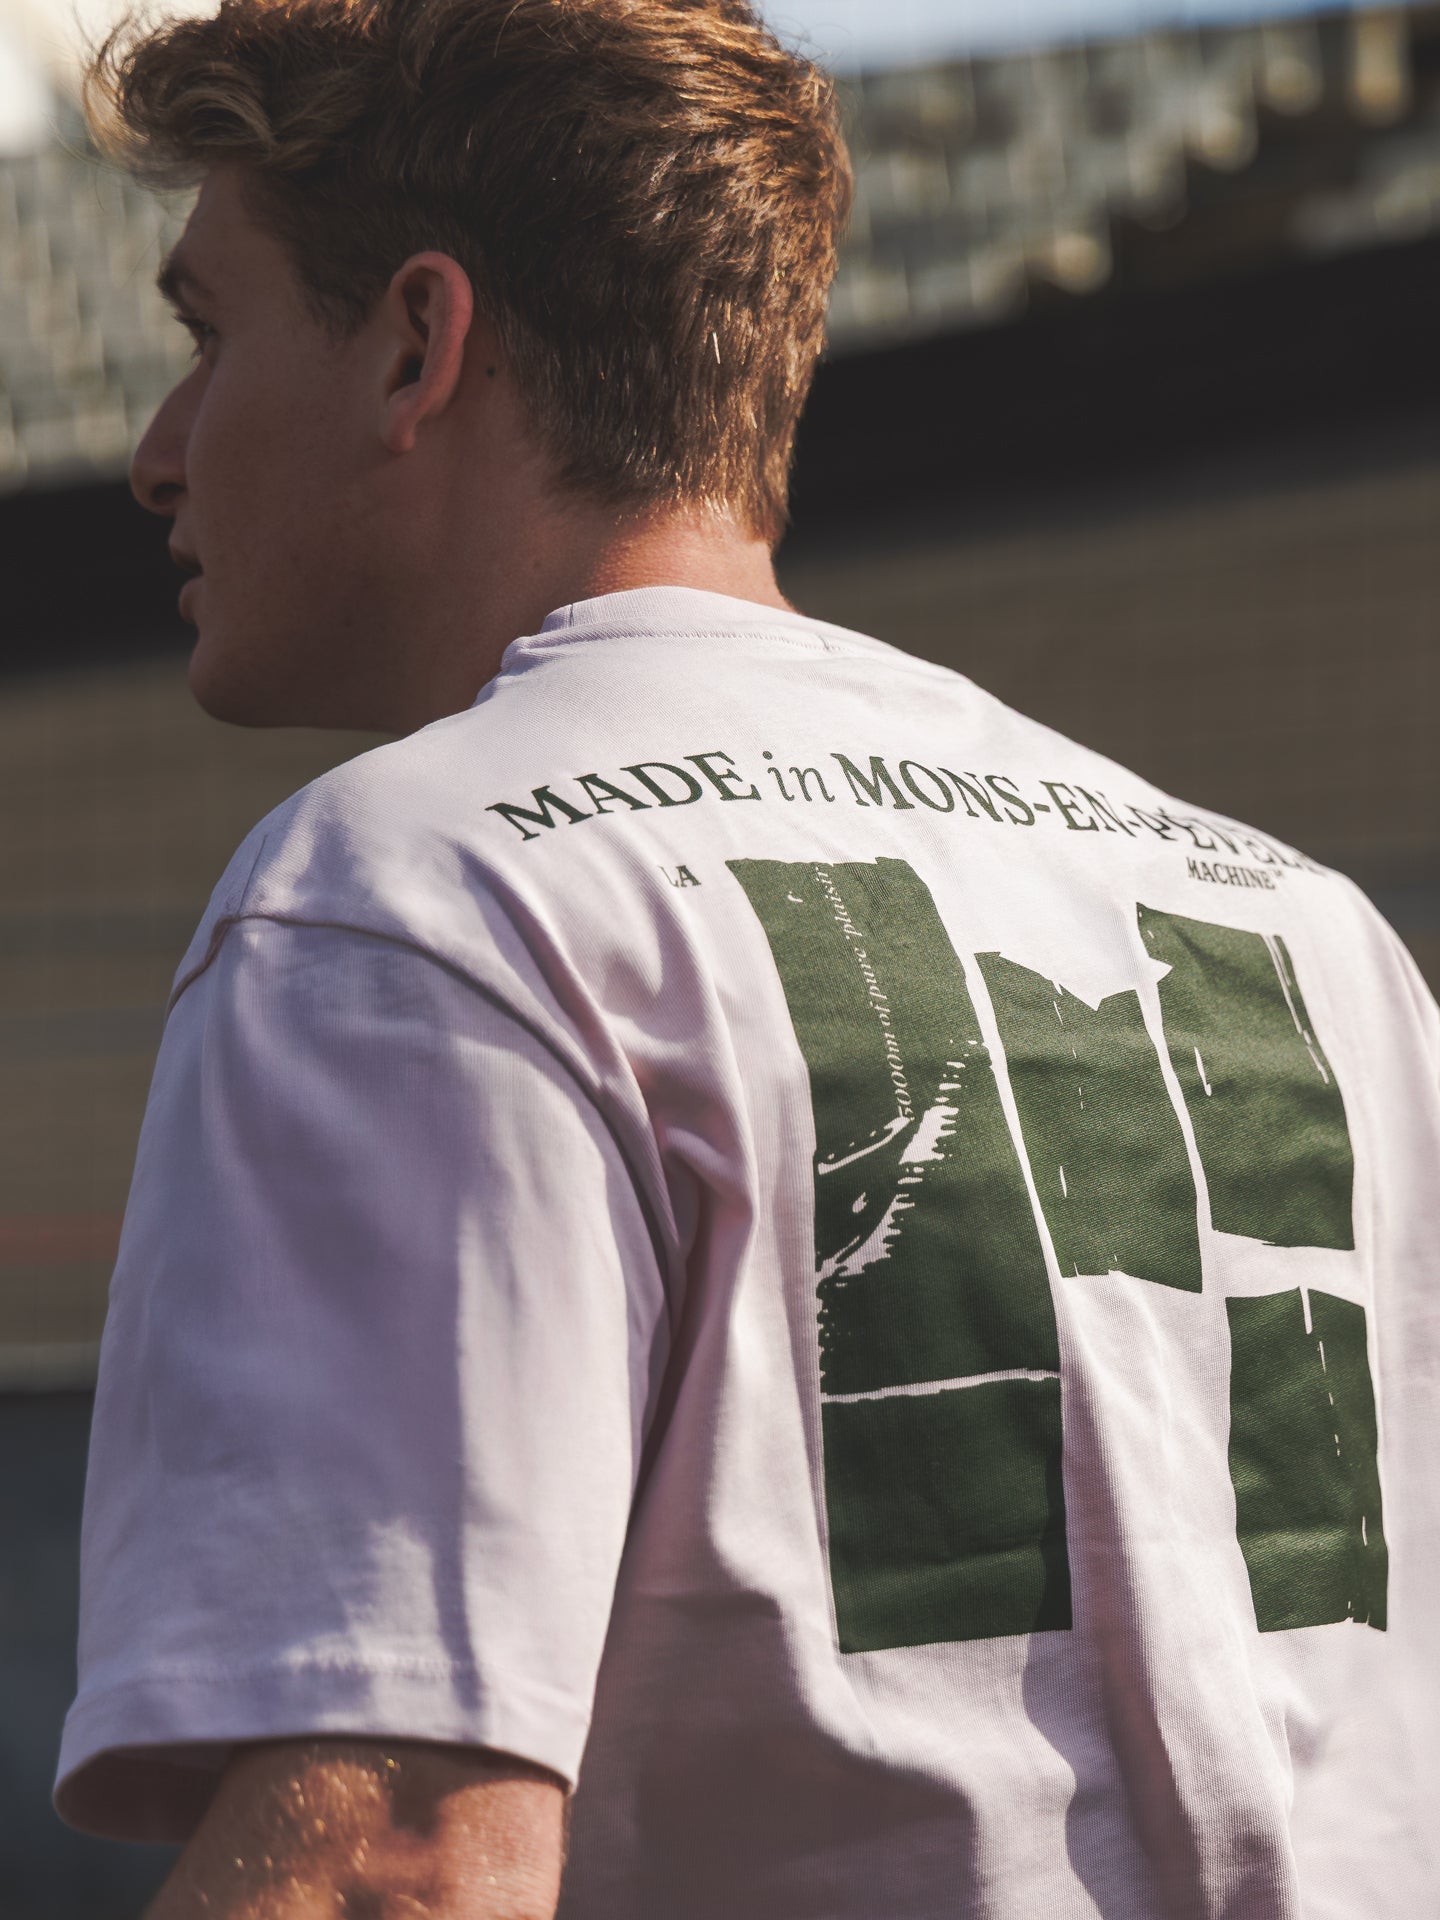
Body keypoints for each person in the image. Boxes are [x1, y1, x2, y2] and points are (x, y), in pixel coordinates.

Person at [57, 0, 1440, 1913]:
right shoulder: (1313, 933)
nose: (160, 450)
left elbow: (397, 1856)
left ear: (416, 343)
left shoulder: (413, 895)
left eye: (210, 334)